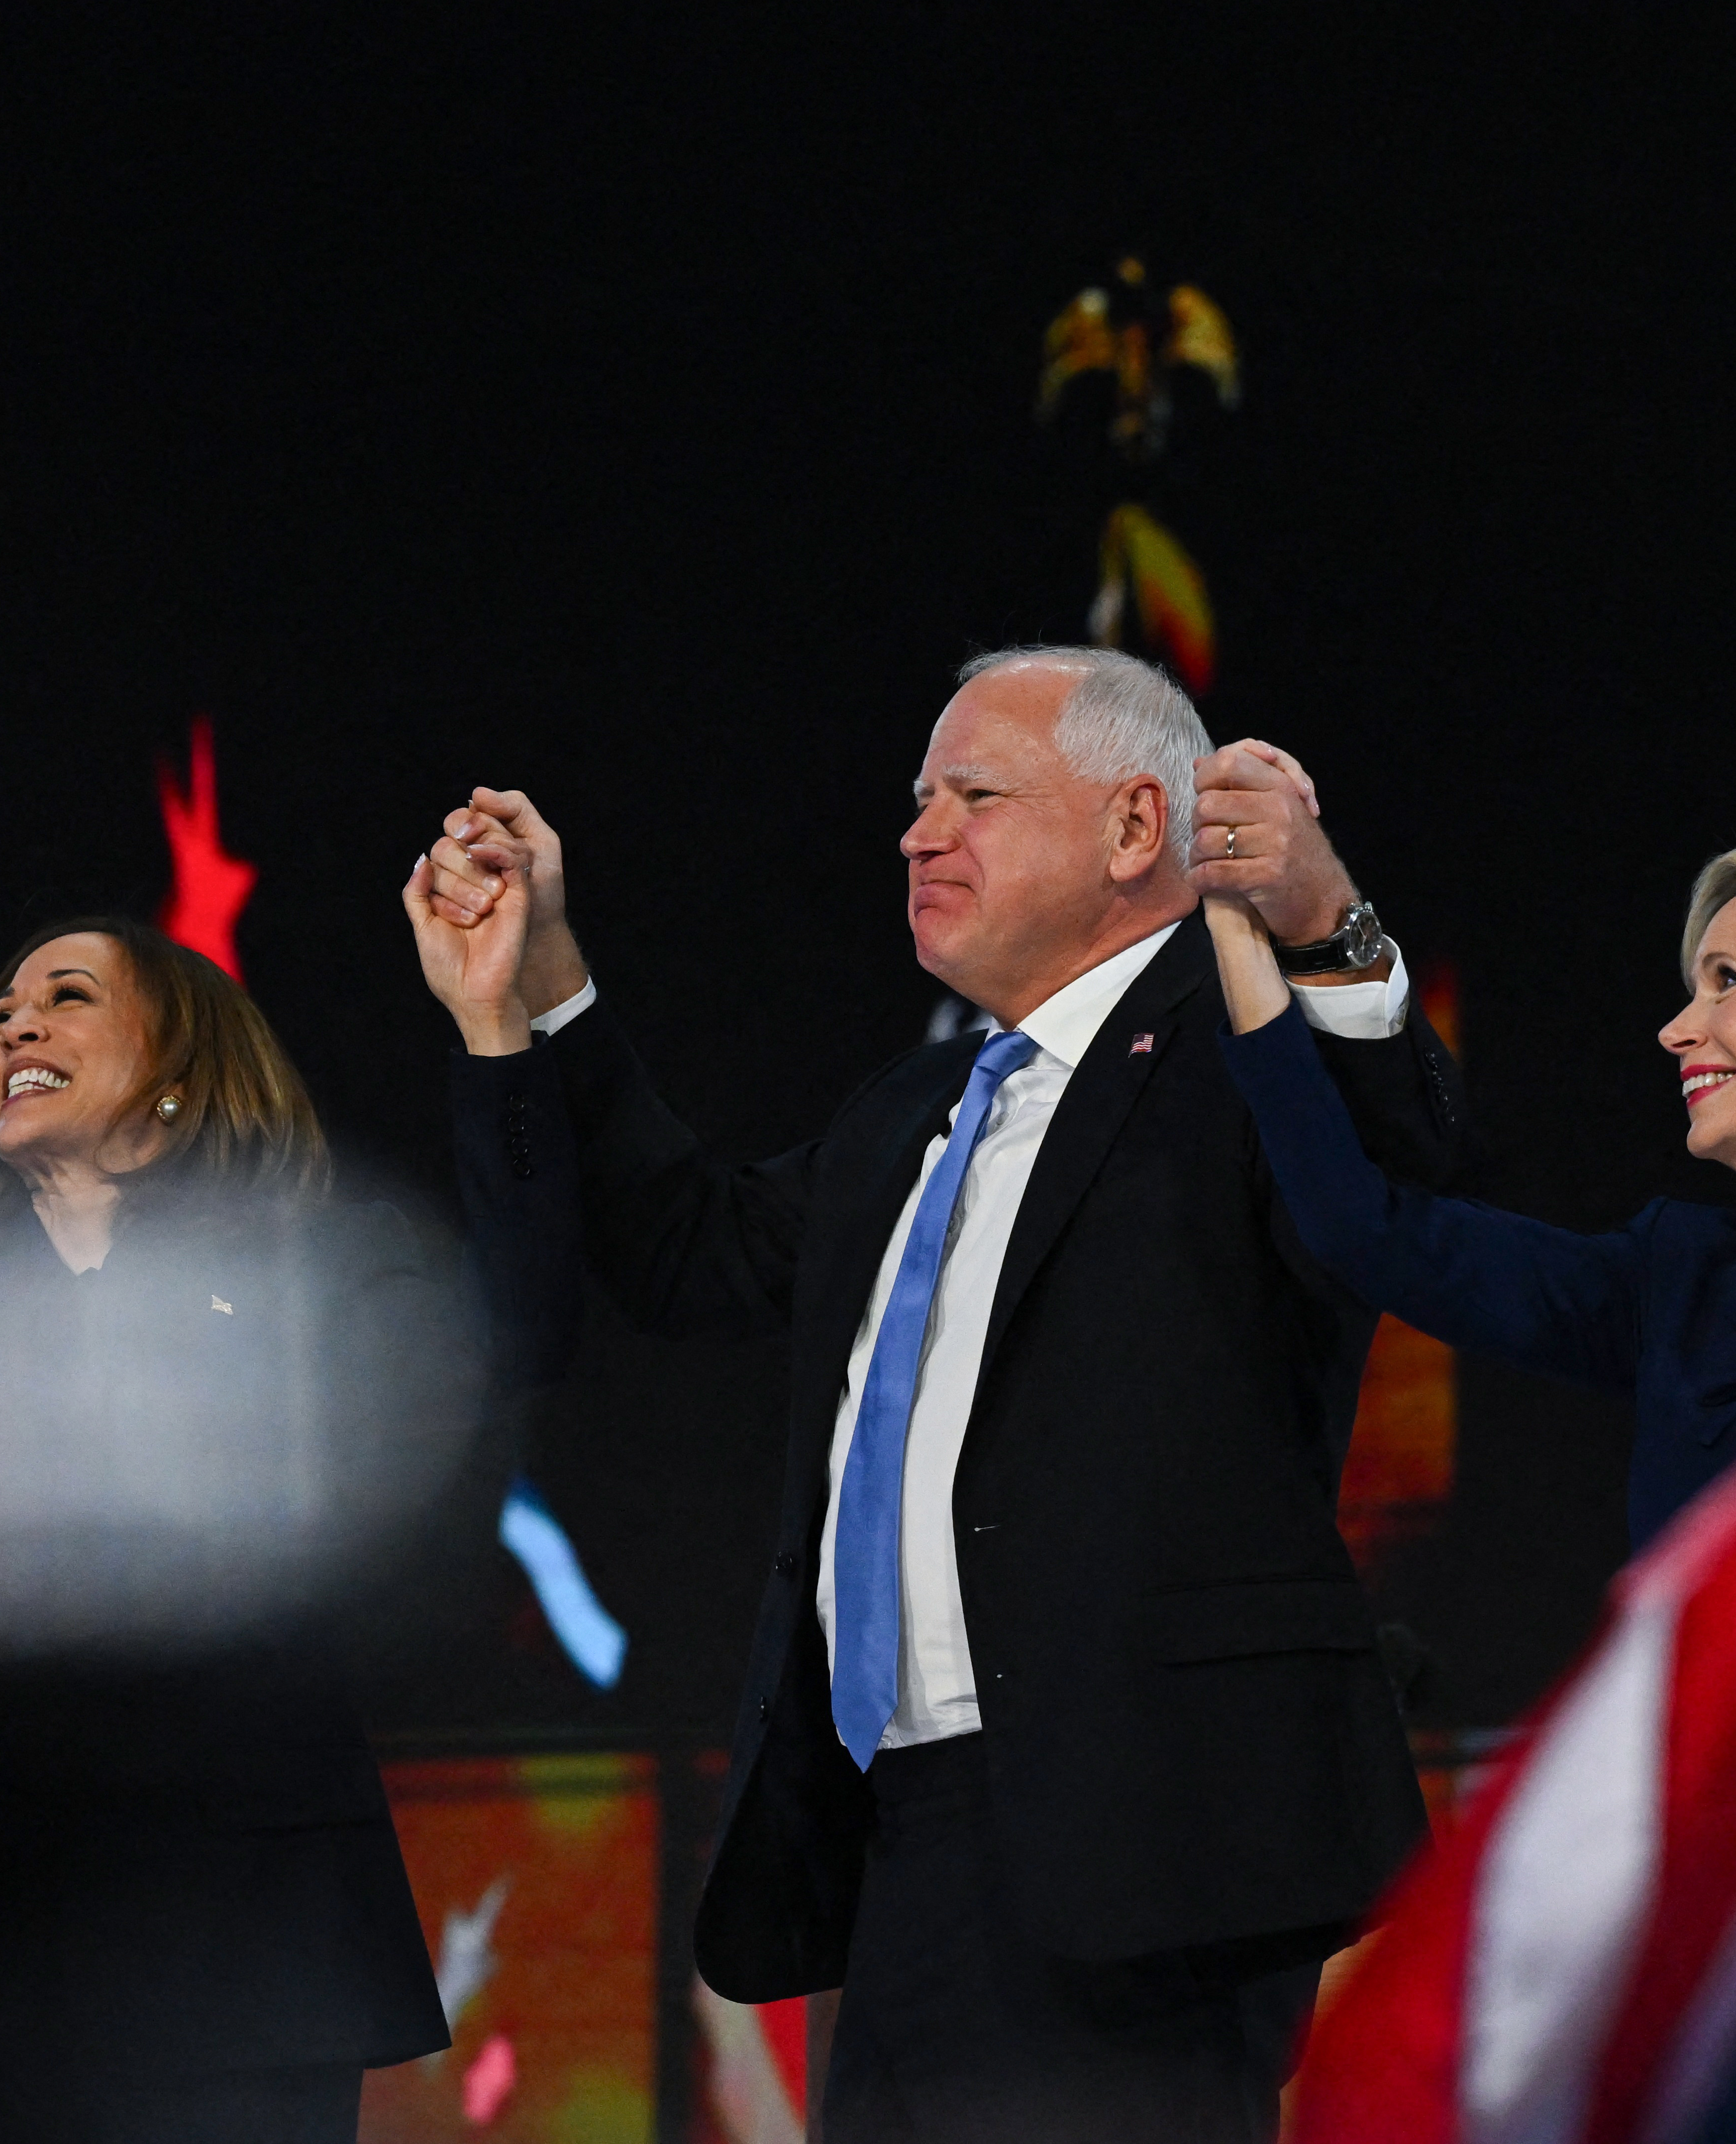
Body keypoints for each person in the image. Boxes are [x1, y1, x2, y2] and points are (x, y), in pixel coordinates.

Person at [403, 646, 1475, 2143]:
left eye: (975, 793)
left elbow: (1399, 1169)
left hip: (1134, 1839)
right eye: (917, 798)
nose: (918, 831)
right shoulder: (915, 1109)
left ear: (1126, 830)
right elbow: (683, 1254)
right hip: (892, 1836)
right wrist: (536, 991)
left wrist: (1322, 922)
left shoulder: (1243, 1057)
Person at [1202, 820, 1736, 2143]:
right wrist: (1238, 931)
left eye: (1727, 980)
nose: (1677, 1027)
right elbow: (1359, 1224)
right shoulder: (1677, 1276)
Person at [0, 916, 459, 2144]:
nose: (16, 1025)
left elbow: (508, 1346)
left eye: (67, 996)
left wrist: (505, 1037)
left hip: (232, 1964)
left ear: (180, 1070)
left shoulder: (328, 1276)